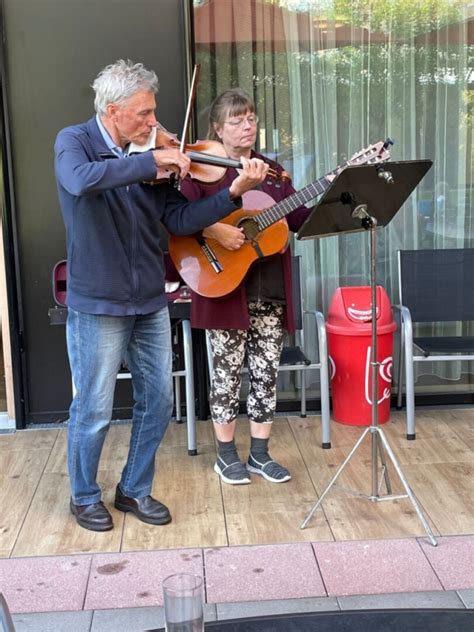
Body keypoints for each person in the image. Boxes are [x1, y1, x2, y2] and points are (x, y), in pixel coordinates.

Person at [54, 61, 269, 532]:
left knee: (158, 401)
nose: (155, 123)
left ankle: (133, 489)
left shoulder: (155, 159)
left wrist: (233, 191)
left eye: (154, 114)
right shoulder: (75, 142)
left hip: (150, 299)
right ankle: (84, 496)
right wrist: (151, 160)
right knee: (93, 407)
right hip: (98, 304)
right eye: (144, 114)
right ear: (113, 111)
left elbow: (181, 221)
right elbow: (81, 181)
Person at [180, 88, 312, 485]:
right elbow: (179, 219)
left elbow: (298, 217)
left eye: (251, 118)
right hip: (223, 285)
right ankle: (225, 455)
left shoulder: (272, 172)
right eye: (237, 120)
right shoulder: (201, 172)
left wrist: (331, 190)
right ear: (217, 128)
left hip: (268, 288)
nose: (247, 125)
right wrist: (216, 228)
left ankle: (259, 453)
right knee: (225, 374)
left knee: (266, 372)